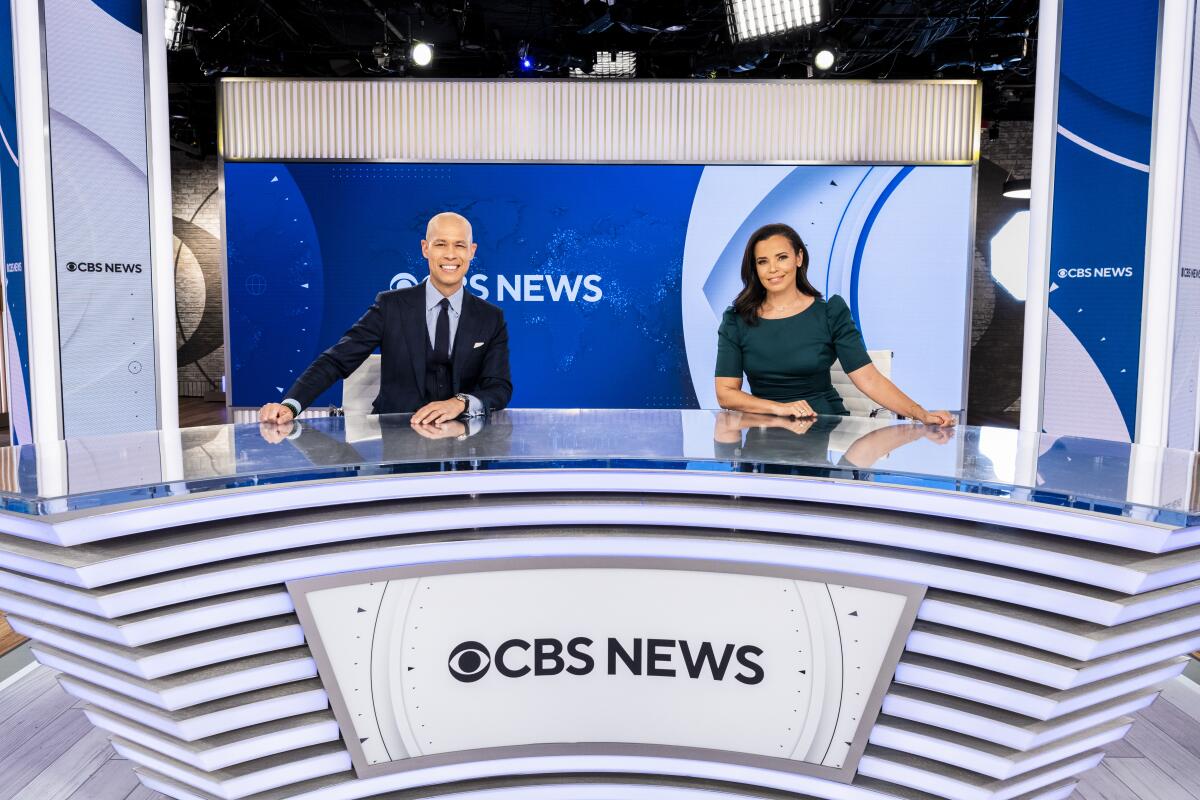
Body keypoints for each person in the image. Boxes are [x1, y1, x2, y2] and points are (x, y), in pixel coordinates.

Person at [259, 212, 512, 428]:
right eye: (440, 244)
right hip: (397, 441)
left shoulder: (490, 318)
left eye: (459, 245)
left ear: (472, 251)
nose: (450, 255)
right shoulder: (391, 306)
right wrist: (291, 404)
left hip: (463, 443)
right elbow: (336, 360)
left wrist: (460, 402)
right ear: (425, 248)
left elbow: (499, 387)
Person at [714, 222, 955, 426]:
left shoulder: (831, 312)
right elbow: (726, 395)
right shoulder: (736, 320)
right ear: (755, 269)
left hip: (823, 425)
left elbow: (868, 379)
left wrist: (920, 413)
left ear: (798, 258)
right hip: (766, 429)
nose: (773, 269)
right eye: (763, 261)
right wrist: (778, 408)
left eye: (782, 257)